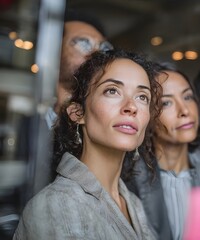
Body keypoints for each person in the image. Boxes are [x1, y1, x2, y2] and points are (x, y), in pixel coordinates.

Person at [13, 49, 162, 239]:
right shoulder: (55, 206)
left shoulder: (133, 203)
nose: (132, 107)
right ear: (77, 113)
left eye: (142, 97)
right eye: (112, 91)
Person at [124, 63, 200, 240]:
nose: (184, 111)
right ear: (147, 114)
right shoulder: (128, 182)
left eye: (188, 97)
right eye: (166, 103)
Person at [45, 9, 113, 128]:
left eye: (103, 49)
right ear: (55, 50)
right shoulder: (33, 117)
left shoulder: (105, 124)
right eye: (84, 44)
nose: (96, 55)